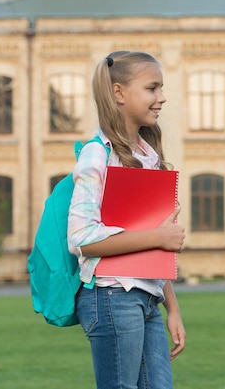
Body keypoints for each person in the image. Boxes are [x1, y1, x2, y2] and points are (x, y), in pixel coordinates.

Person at [68, 51, 186, 389]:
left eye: (161, 88)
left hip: (147, 297)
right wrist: (159, 237)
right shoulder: (98, 153)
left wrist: (172, 307)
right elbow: (81, 239)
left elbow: (153, 243)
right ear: (119, 93)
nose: (161, 97)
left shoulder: (147, 157)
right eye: (152, 88)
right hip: (111, 296)